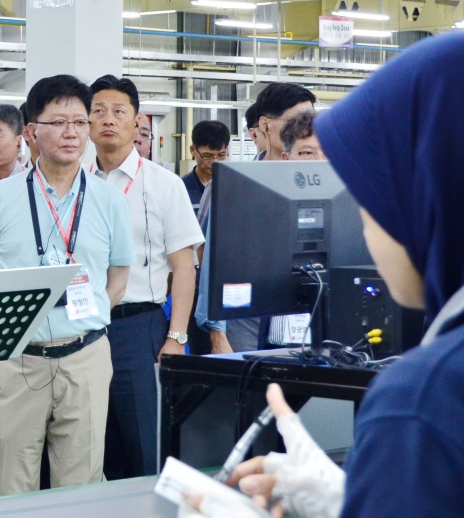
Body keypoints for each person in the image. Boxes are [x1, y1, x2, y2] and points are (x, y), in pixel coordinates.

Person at [187, 30, 464, 518]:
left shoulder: (425, 400)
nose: (359, 218)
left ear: (425, 194)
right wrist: (353, 499)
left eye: (370, 192)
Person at [0, 74, 135, 496]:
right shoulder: (1, 197)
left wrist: (91, 311)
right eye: (59, 122)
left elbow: (118, 276)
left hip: (86, 357)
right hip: (18, 360)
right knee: (9, 481)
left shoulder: (109, 199)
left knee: (80, 482)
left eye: (80, 123)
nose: (71, 133)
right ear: (32, 131)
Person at [88, 75, 204, 480]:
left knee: (144, 447)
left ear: (137, 122)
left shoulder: (163, 184)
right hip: (85, 329)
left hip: (140, 329)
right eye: (98, 111)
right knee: (96, 449)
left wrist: (176, 336)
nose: (108, 119)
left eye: (119, 111)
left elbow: (184, 267)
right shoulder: (77, 183)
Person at [196, 83, 317, 354]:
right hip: (246, 321)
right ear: (265, 125)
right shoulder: (234, 185)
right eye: (297, 121)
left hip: (306, 322)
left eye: (310, 120)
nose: (305, 128)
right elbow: (211, 261)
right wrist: (218, 334)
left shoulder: (319, 183)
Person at [181, 121, 230, 214]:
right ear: (193, 150)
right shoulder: (182, 189)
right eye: (208, 155)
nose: (215, 161)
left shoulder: (234, 187)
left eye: (221, 155)